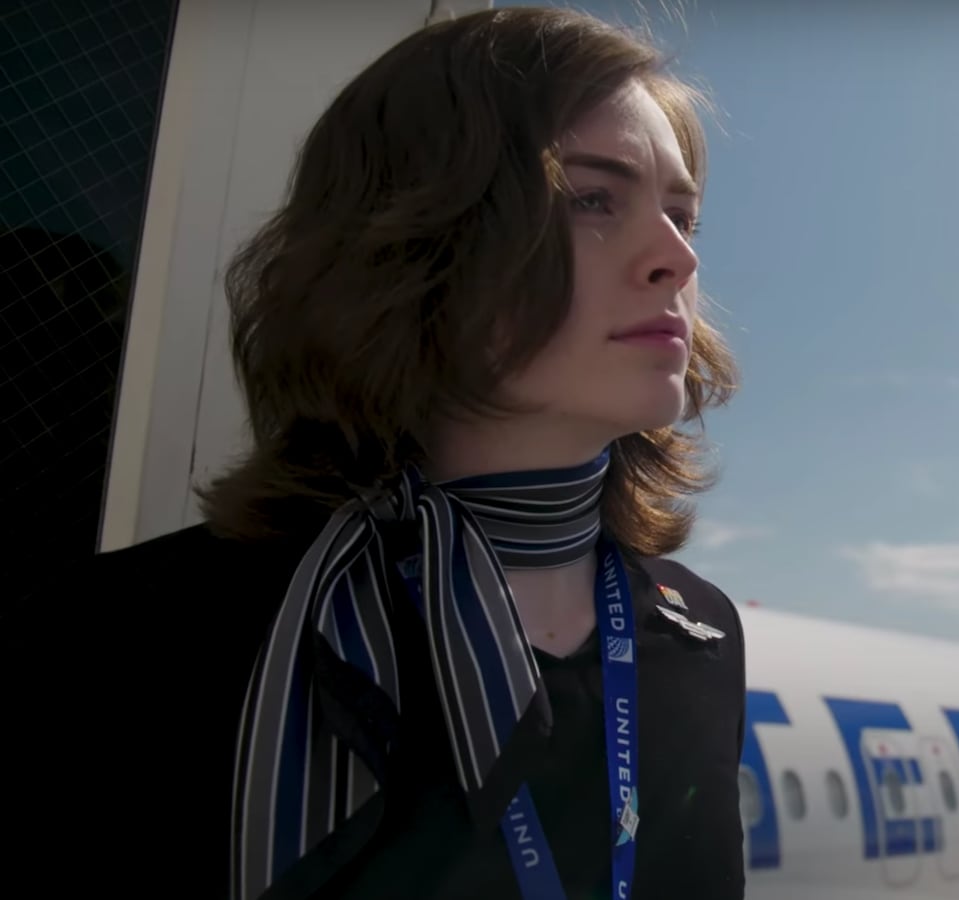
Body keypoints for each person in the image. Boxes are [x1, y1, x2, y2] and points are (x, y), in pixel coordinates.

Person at [2, 7, 748, 900]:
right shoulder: (127, 642)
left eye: (683, 215)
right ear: (416, 236)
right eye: (592, 199)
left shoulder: (698, 631)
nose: (674, 257)